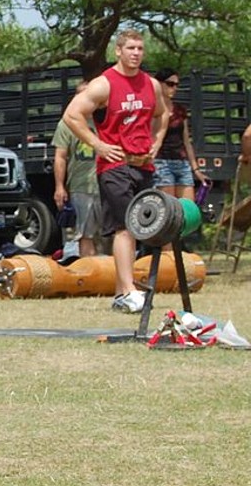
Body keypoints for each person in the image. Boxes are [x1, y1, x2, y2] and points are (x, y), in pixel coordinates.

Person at [62, 28, 169, 314]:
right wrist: (98, 144)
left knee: (140, 227)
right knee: (125, 226)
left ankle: (123, 292)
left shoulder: (151, 84)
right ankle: (129, 290)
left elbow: (163, 114)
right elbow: (72, 115)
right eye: (130, 48)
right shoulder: (104, 84)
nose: (136, 53)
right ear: (118, 51)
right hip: (114, 165)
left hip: (143, 165)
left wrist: (156, 142)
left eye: (140, 49)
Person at [52, 82, 101, 257]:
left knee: (111, 233)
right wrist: (59, 187)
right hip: (81, 186)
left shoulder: (102, 120)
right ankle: (91, 276)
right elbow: (60, 156)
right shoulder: (67, 123)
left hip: (106, 182)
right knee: (85, 234)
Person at [152, 67, 209, 202]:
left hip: (181, 162)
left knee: (189, 208)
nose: (174, 88)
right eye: (170, 84)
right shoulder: (153, 109)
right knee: (169, 208)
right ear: (159, 84)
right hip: (161, 161)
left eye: (177, 85)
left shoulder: (180, 110)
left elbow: (186, 141)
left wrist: (196, 169)